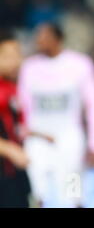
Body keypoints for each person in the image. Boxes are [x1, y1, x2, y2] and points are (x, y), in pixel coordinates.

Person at [18, 23, 94, 207]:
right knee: (37, 192)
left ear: (57, 38)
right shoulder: (29, 67)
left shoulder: (79, 64)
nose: (39, 40)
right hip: (37, 141)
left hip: (68, 140)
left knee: (73, 192)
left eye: (44, 35)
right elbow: (23, 105)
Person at [0, 29, 31, 207]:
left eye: (19, 54)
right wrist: (10, 150)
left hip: (14, 175)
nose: (18, 61)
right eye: (11, 55)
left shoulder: (12, 88)